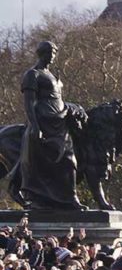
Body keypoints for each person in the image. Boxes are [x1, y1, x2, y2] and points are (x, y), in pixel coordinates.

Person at [18, 41, 88, 210]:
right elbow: (28, 103)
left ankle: (70, 198)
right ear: (41, 53)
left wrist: (72, 107)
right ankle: (38, 199)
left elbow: (58, 99)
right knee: (42, 162)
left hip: (60, 122)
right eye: (50, 52)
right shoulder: (32, 74)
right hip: (43, 122)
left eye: (55, 53)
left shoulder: (53, 75)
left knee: (70, 160)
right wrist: (34, 125)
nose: (53, 56)